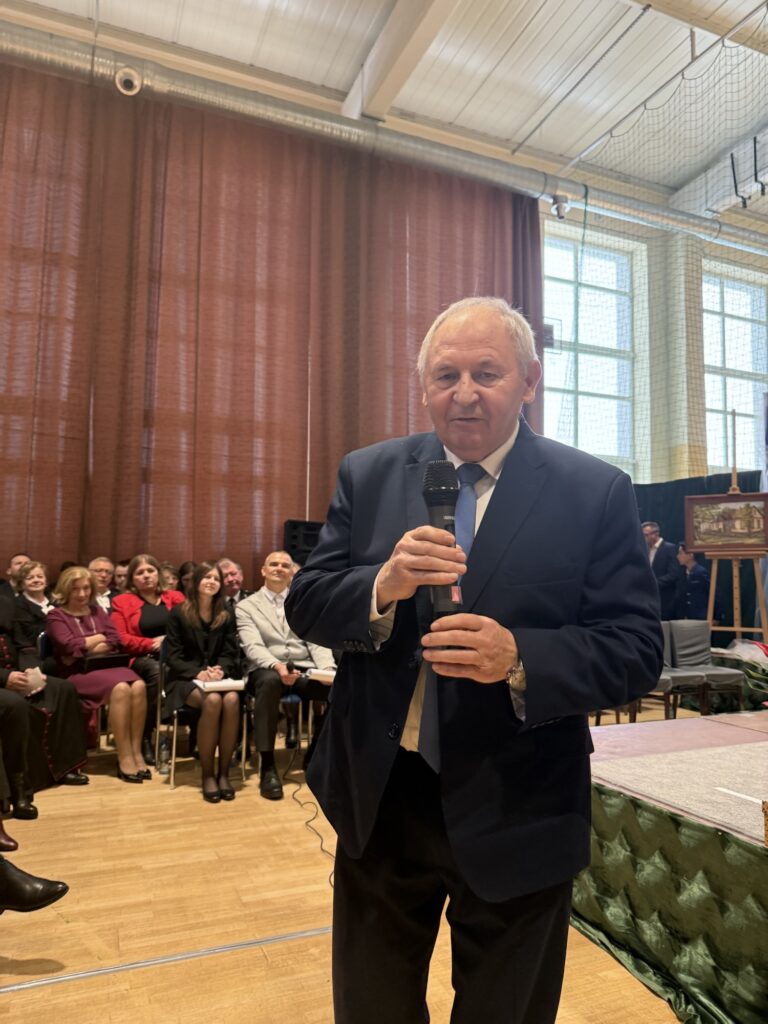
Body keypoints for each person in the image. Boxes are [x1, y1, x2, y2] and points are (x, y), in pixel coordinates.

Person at [285, 296, 663, 1024]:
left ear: (529, 381)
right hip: (381, 797)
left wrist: (521, 656)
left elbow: (637, 649)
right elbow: (307, 603)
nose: (464, 393)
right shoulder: (368, 474)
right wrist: (381, 585)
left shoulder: (594, 491)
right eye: (445, 375)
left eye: (486, 373)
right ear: (423, 385)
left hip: (519, 800)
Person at [236, 551, 335, 800]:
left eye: (285, 565)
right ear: (263, 570)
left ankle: (315, 754)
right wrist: (276, 665)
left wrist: (327, 669)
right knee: (269, 683)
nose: (279, 568)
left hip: (302, 667)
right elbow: (252, 646)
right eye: (274, 564)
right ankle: (268, 765)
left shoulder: (303, 603)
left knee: (338, 688)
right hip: (266, 668)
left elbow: (316, 641)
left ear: (292, 572)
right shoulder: (246, 606)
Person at [46, 567, 148, 783]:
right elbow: (67, 646)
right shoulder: (57, 615)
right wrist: (98, 638)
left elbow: (115, 640)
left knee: (139, 685)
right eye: (76, 589)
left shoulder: (97, 611)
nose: (82, 594)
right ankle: (124, 757)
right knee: (121, 688)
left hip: (107, 666)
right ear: (65, 589)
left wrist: (85, 645)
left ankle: (136, 752)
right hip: (77, 672)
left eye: (86, 588)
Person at [165, 562, 242, 803]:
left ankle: (224, 773)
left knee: (231, 699)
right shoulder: (179, 613)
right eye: (207, 577)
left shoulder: (226, 613)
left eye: (216, 579)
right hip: (184, 680)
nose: (211, 582)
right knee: (213, 702)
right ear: (197, 581)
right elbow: (173, 657)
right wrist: (198, 673)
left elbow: (230, 652)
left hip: (218, 679)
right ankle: (208, 774)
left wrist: (220, 669)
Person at [0, 592, 89, 795]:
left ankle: (65, 767)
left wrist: (31, 669)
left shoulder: (5, 603)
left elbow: (23, 645)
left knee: (64, 689)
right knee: (16, 705)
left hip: (17, 673)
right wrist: (5, 678)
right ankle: (23, 784)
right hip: (3, 680)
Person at [111, 555, 186, 767]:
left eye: (150, 571)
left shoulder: (175, 597)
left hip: (175, 654)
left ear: (158, 574)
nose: (146, 576)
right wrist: (152, 644)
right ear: (132, 579)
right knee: (156, 671)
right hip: (141, 657)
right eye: (140, 573)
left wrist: (168, 641)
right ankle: (145, 735)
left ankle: (197, 736)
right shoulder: (122, 601)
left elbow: (189, 626)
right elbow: (120, 638)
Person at [641, 521, 679, 619]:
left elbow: (673, 574)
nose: (643, 538)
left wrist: (653, 584)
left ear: (656, 534)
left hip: (664, 598)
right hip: (648, 598)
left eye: (646, 535)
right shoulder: (645, 549)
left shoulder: (670, 548)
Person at [674, 543, 712, 620]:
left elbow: (712, 593)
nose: (677, 556)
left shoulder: (701, 572)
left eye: (680, 553)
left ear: (691, 555)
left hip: (700, 616)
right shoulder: (682, 573)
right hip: (685, 616)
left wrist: (716, 616)